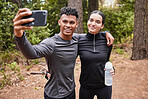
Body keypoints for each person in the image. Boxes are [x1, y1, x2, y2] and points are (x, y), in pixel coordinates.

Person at [13, 7, 114, 99]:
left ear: (76, 24)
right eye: (65, 21)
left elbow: (93, 34)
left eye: (71, 22)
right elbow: (31, 53)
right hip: (54, 94)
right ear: (59, 22)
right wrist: (19, 35)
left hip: (71, 91)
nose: (68, 25)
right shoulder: (51, 43)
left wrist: (106, 33)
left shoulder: (77, 39)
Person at [78, 10, 114, 99]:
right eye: (91, 20)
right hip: (86, 86)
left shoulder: (107, 40)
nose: (93, 24)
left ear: (102, 26)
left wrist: (112, 69)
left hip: (104, 86)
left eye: (97, 22)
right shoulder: (79, 40)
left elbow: (106, 61)